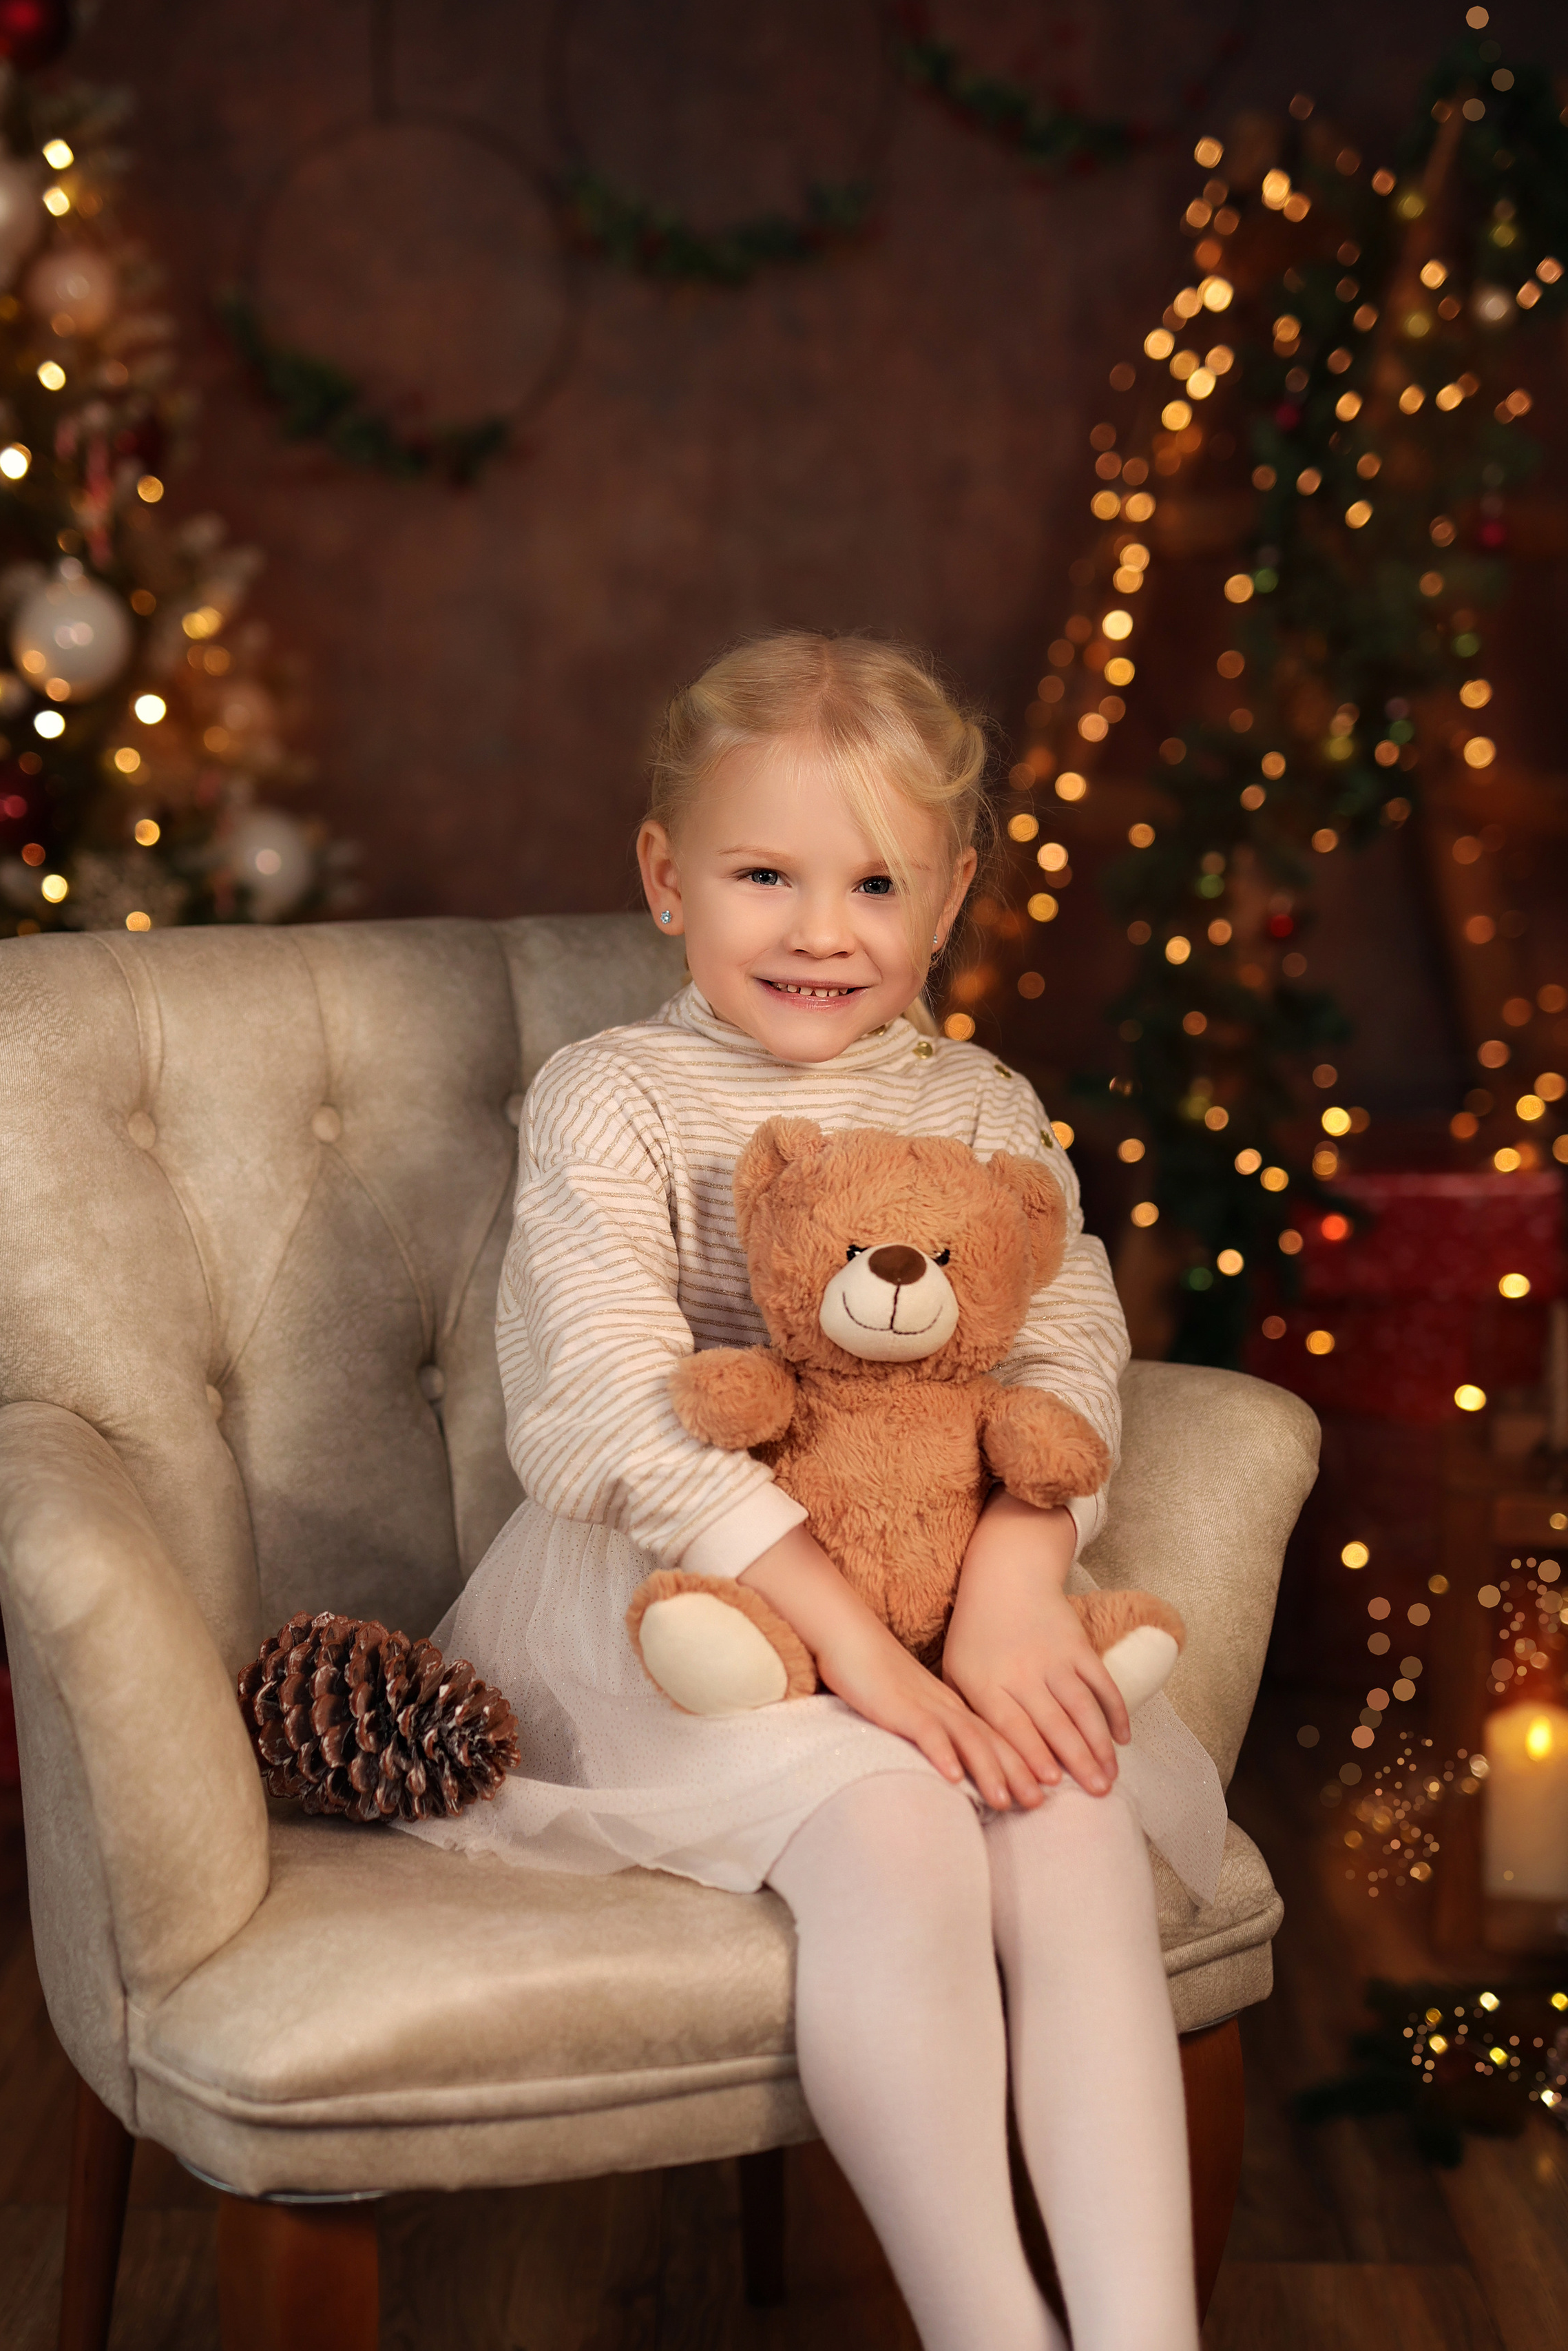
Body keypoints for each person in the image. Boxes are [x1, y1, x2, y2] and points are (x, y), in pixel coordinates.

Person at [402, 631, 1221, 2350]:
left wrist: (1014, 1579)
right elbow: (608, 1407)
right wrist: (858, 1657)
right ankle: (990, 2332)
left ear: (950, 897)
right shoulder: (613, 1096)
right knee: (896, 1831)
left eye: (874, 883)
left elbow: (1065, 1349)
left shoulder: (981, 1104)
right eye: (763, 875)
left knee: (1070, 1819)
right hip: (693, 1605)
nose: (820, 931)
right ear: (665, 878)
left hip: (944, 1575)